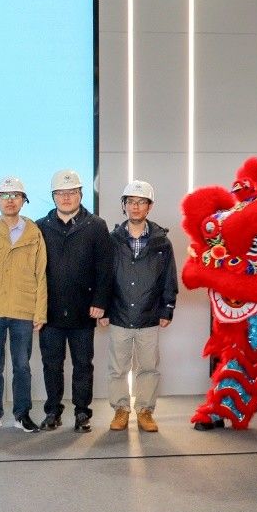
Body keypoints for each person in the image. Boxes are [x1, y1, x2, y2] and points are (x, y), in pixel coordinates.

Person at [37, 169, 113, 433]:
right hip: (50, 310)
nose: (66, 197)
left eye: (71, 192)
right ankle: (53, 412)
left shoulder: (96, 225)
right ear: (53, 196)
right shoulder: (41, 226)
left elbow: (105, 268)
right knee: (51, 365)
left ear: (80, 194)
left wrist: (101, 302)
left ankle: (82, 412)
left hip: (84, 309)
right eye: (60, 193)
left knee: (83, 365)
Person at [101, 180, 178, 433]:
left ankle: (145, 410)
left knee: (148, 368)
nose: (135, 207)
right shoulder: (112, 240)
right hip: (119, 313)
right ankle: (121, 410)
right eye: (131, 202)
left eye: (141, 202)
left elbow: (169, 277)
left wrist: (167, 308)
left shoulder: (161, 242)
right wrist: (103, 308)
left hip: (149, 314)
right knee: (118, 369)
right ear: (124, 205)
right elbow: (103, 276)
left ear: (149, 206)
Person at [0, 177, 48, 433]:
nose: (10, 201)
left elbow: (41, 274)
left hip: (23, 309)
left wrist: (40, 312)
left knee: (22, 366)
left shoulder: (34, 233)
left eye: (15, 196)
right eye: (4, 196)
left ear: (23, 200)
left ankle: (22, 414)